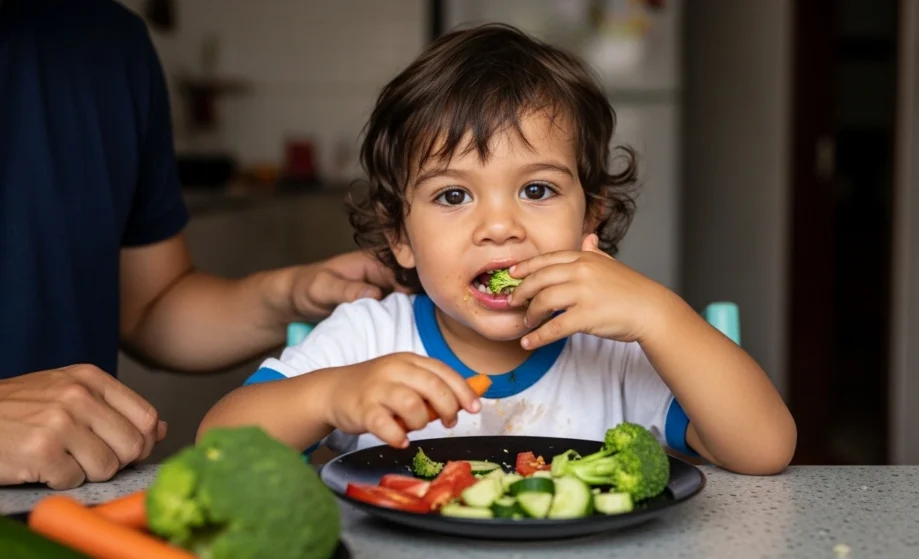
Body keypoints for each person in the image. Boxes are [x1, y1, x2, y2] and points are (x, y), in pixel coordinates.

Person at [200, 23, 797, 476]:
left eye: (536, 190)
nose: (499, 226)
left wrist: (661, 317)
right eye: (454, 195)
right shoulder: (368, 338)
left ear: (590, 216)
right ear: (400, 239)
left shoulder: (617, 350)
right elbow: (218, 451)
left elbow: (766, 450)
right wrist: (329, 395)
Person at [0, 0, 401, 489]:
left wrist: (288, 294)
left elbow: (150, 306)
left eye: (527, 191)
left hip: (68, 503)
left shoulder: (108, 43)